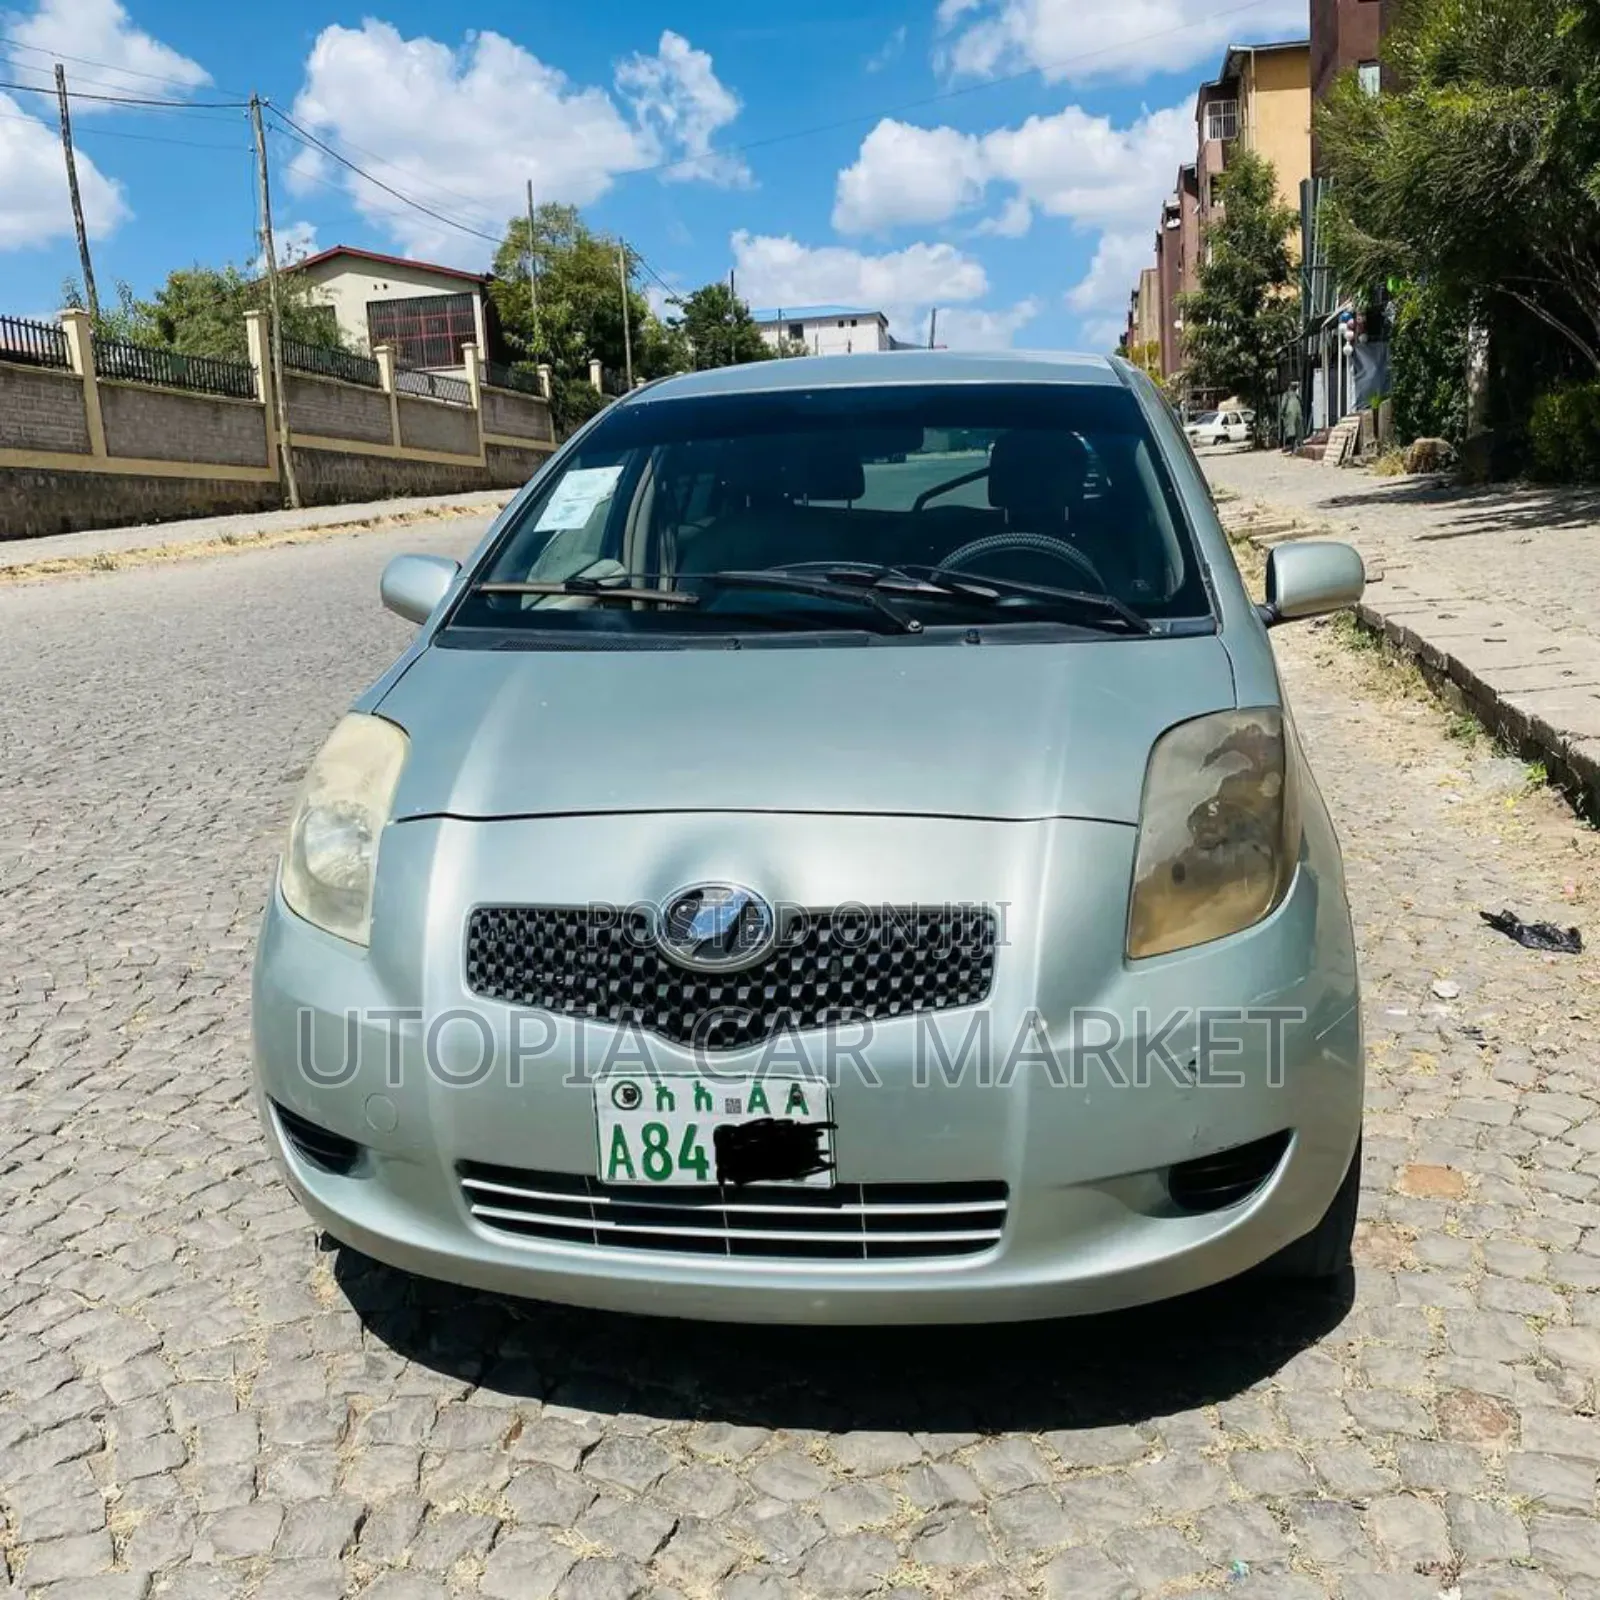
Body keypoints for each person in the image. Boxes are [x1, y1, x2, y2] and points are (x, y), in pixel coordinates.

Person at [1279, 386, 1303, 455]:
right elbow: (1301, 403)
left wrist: (1282, 413)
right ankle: (1299, 446)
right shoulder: (1296, 395)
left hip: (1290, 412)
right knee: (1298, 429)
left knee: (1291, 430)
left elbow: (1283, 405)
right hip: (1298, 410)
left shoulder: (1286, 395)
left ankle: (1293, 449)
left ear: (1289, 388)